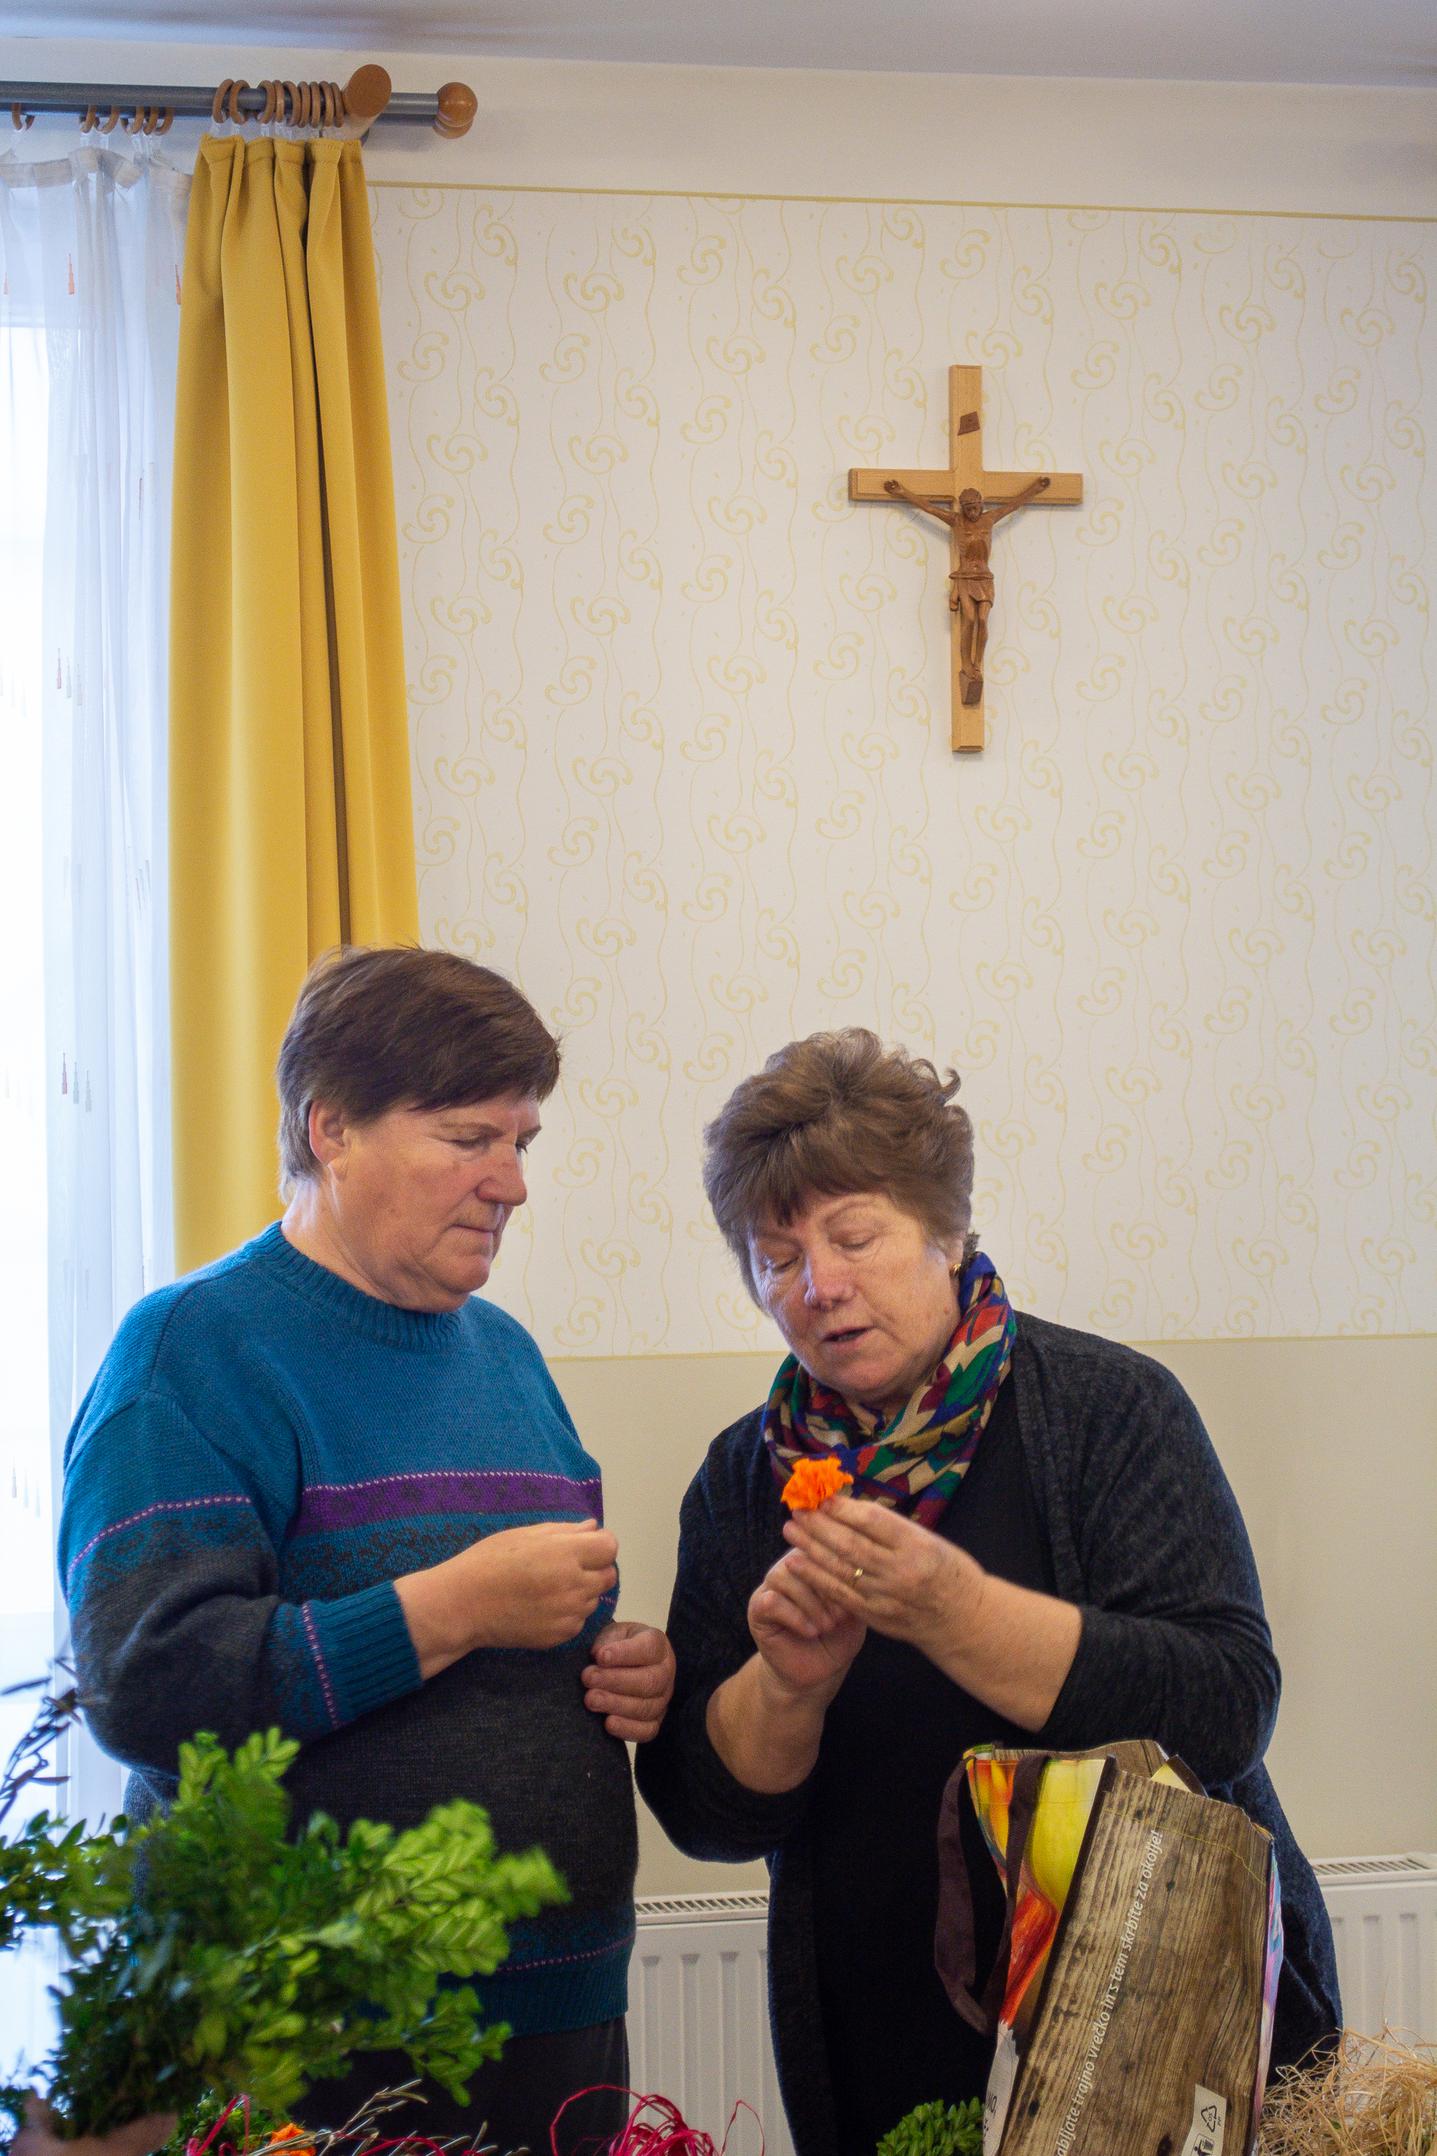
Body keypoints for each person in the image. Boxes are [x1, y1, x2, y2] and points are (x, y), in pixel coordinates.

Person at [636, 1029, 1339, 2156]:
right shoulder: (742, 1478)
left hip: (1162, 2027)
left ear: (947, 1228)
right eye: (776, 1257)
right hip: (878, 2040)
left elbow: (1225, 1706)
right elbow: (704, 1813)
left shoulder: (1109, 1409)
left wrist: (954, 1611)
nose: (819, 1285)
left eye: (854, 1236)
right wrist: (789, 1687)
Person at [58, 946, 675, 2152]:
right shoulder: (192, 1350)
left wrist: (624, 1670)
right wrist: (451, 1606)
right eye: (467, 1137)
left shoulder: (509, 1357)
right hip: (305, 2036)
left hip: (559, 2021)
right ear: (330, 1127)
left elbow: (534, 1638)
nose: (511, 1182)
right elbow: (145, 1683)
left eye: (522, 1140)